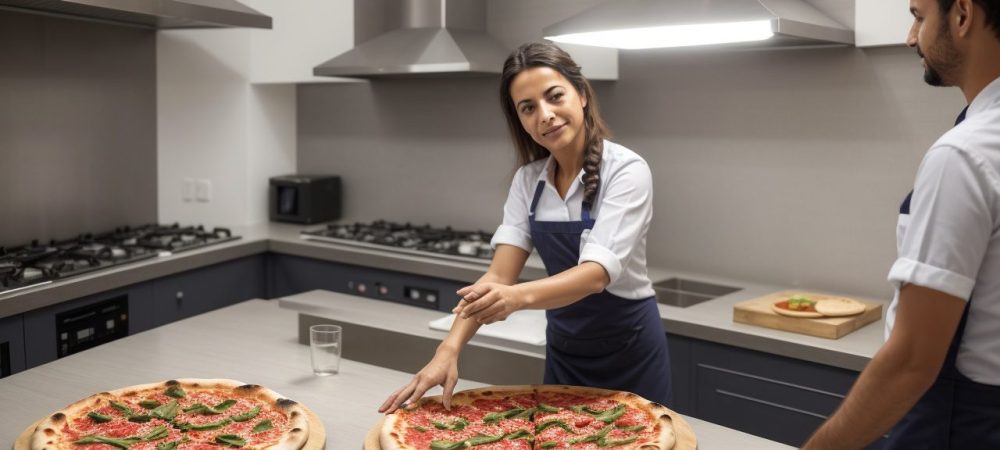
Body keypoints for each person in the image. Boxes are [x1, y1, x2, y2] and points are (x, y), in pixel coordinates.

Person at [378, 42, 672, 414]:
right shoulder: (528, 181)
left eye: (554, 97)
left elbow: (596, 275)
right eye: (528, 108)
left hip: (630, 350)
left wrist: (516, 298)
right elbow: (499, 275)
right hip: (566, 349)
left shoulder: (627, 171)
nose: (545, 115)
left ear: (581, 95)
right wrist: (447, 350)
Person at [803, 0, 1000, 448]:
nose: (912, 38)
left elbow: (913, 361)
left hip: (959, 423)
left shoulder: (964, 155)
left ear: (963, 15)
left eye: (918, 16)